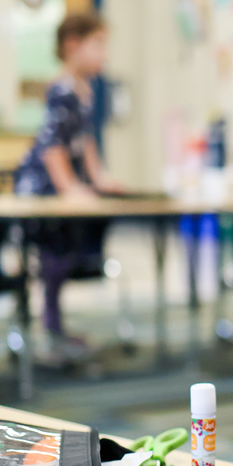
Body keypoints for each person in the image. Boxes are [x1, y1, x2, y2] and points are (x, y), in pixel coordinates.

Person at [14, 12, 124, 362]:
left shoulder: (86, 90)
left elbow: (85, 141)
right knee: (52, 261)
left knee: (63, 260)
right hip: (42, 186)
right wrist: (71, 187)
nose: (104, 55)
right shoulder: (60, 89)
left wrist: (99, 178)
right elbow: (52, 146)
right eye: (98, 46)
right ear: (72, 46)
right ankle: (50, 329)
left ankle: (56, 327)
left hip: (65, 184)